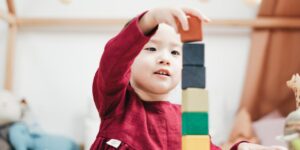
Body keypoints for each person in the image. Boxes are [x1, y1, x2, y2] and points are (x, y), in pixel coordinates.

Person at [90, 7, 287, 150]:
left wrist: (243, 148)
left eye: (175, 53)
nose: (165, 59)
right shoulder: (115, 105)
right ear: (130, 60)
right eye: (151, 48)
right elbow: (114, 58)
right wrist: (151, 18)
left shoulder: (189, 115)